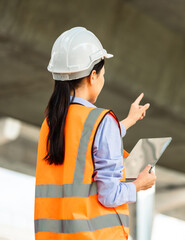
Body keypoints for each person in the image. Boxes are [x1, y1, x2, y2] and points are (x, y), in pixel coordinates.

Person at [34, 27, 156, 240]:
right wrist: (139, 184)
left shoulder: (51, 122)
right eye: (103, 75)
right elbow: (109, 195)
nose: (102, 80)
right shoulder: (100, 121)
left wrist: (129, 120)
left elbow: (86, 142)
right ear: (93, 76)